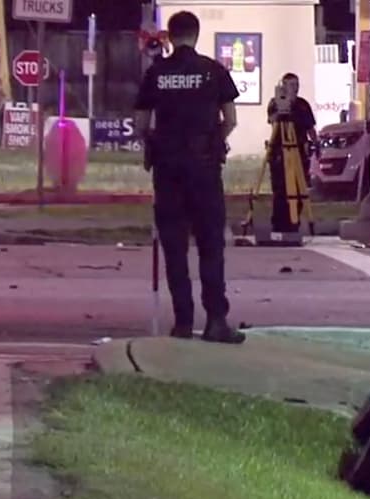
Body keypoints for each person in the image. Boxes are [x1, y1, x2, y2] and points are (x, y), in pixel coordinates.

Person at [133, 10, 244, 344]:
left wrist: (156, 143)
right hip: (204, 168)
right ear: (196, 34)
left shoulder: (157, 72)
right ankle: (215, 322)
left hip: (168, 171)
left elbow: (140, 123)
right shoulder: (213, 71)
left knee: (174, 246)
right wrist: (215, 139)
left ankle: (182, 322)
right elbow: (231, 118)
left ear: (171, 35)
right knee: (210, 245)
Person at [266, 72, 318, 232]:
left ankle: (294, 222)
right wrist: (282, 109)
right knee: (280, 189)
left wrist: (316, 144)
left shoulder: (303, 105)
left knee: (299, 187)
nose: (294, 88)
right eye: (290, 85)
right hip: (279, 152)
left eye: (296, 84)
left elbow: (310, 128)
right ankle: (279, 223)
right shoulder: (275, 103)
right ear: (283, 86)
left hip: (298, 151)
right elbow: (272, 119)